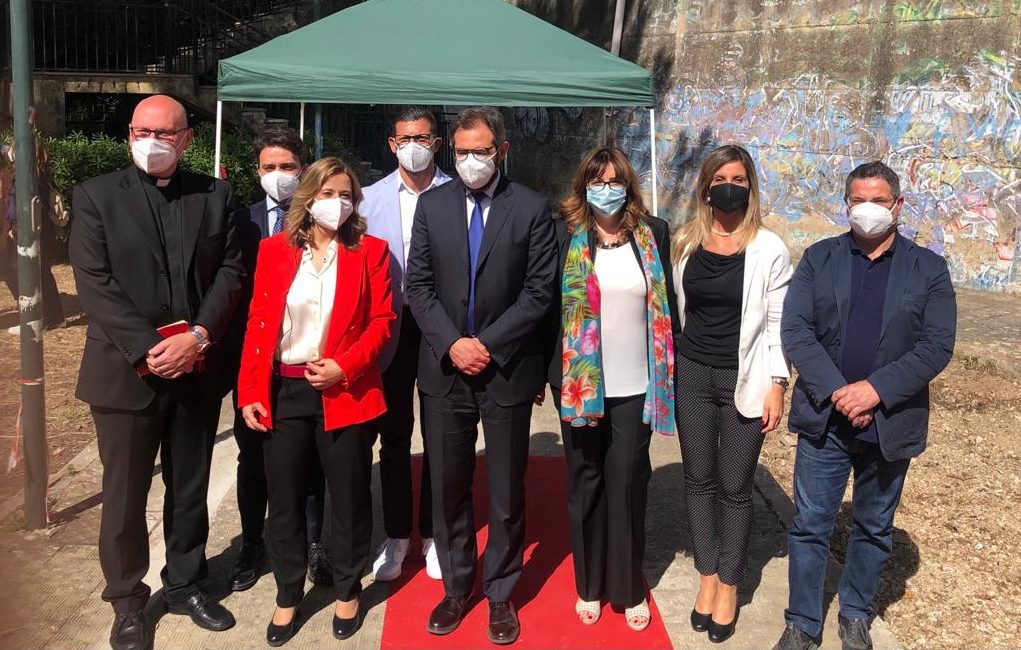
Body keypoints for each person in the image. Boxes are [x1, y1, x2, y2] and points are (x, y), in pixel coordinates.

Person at [69, 95, 245, 650]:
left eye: (165, 133)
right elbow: (93, 280)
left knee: (189, 487)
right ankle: (126, 601)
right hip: (126, 373)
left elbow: (232, 271)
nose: (153, 142)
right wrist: (149, 349)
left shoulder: (215, 195)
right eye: (142, 131)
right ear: (129, 134)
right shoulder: (96, 196)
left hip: (196, 366)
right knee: (123, 495)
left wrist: (198, 337)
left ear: (186, 139)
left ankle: (185, 583)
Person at [772, 161, 956, 650]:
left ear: (898, 205)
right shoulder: (820, 259)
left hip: (889, 422)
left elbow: (936, 345)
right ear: (846, 204)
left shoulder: (929, 269)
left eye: (878, 200)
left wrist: (874, 390)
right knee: (811, 524)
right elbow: (796, 330)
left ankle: (855, 613)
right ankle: (802, 622)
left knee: (874, 526)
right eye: (858, 200)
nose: (867, 209)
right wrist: (840, 391)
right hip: (826, 420)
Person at [405, 106, 556, 645]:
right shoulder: (433, 205)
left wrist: (487, 345)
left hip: (505, 370)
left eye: (481, 151)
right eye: (462, 151)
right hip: (445, 370)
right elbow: (418, 285)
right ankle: (456, 587)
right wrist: (453, 344)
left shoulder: (532, 208)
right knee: (448, 485)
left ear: (502, 151)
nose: (471, 160)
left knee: (506, 491)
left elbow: (538, 293)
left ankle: (500, 593)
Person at [237, 156, 394, 646]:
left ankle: (347, 589)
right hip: (284, 391)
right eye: (327, 194)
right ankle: (288, 594)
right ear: (308, 198)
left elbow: (383, 322)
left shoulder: (371, 251)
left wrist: (345, 366)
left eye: (346, 194)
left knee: (348, 496)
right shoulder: (274, 251)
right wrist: (249, 391)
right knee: (283, 498)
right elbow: (257, 323)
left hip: (344, 388)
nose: (337, 203)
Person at [547, 147, 677, 632]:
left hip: (637, 384)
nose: (606, 189)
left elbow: (667, 304)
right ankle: (589, 584)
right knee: (585, 481)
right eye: (597, 181)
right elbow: (548, 307)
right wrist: (543, 374)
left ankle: (628, 587)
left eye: (615, 180)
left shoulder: (653, 233)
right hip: (580, 384)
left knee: (626, 481)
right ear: (584, 186)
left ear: (628, 185)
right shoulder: (566, 235)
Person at [670, 144, 793, 643]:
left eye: (739, 180)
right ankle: (706, 577)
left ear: (751, 187)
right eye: (720, 179)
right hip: (693, 374)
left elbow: (780, 324)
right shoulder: (685, 242)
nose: (729, 187)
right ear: (705, 187)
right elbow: (679, 310)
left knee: (736, 486)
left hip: (746, 377)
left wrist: (778, 385)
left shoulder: (770, 249)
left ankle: (729, 584)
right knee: (698, 480)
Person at [227, 128, 333, 593]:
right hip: (254, 360)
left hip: (304, 361)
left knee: (310, 461)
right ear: (257, 171)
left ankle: (314, 543)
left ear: (303, 169)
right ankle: (253, 543)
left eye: (287, 166)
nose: (278, 175)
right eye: (269, 167)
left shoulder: (322, 219)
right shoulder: (241, 221)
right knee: (252, 458)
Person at [361, 106, 452, 582]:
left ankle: (434, 534)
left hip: (439, 327)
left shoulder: (456, 194)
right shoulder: (368, 199)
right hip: (389, 325)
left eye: (422, 138)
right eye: (404, 139)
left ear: (436, 143)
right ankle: (397, 535)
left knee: (440, 434)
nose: (413, 146)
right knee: (394, 435)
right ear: (392, 145)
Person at [2, 131, 66, 332]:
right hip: (41, 230)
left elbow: (23, 206)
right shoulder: (39, 173)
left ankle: (40, 318)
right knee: (41, 272)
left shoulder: (28, 177)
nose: (10, 152)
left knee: (29, 272)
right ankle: (52, 317)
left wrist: (14, 228)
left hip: (31, 230)